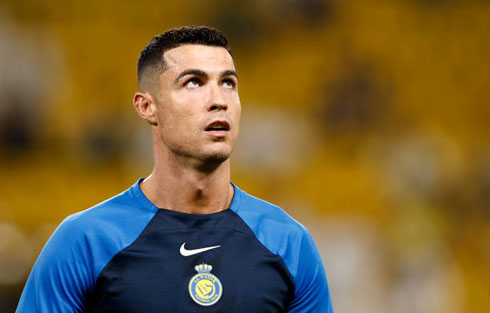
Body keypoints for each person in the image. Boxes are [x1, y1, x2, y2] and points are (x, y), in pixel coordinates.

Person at [16, 26, 334, 312]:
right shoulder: (85, 241)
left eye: (228, 83)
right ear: (147, 106)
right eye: (194, 82)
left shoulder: (288, 242)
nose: (218, 100)